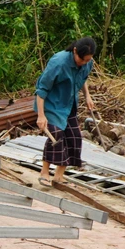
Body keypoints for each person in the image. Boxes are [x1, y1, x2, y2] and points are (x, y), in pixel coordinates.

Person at [33, 37, 96, 188]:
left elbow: (83, 77)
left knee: (74, 138)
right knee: (56, 135)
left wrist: (87, 95)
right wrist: (41, 116)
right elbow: (41, 90)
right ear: (75, 51)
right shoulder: (58, 62)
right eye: (82, 59)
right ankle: (44, 173)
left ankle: (59, 176)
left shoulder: (88, 62)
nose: (84, 63)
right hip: (51, 104)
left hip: (68, 104)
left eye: (87, 60)